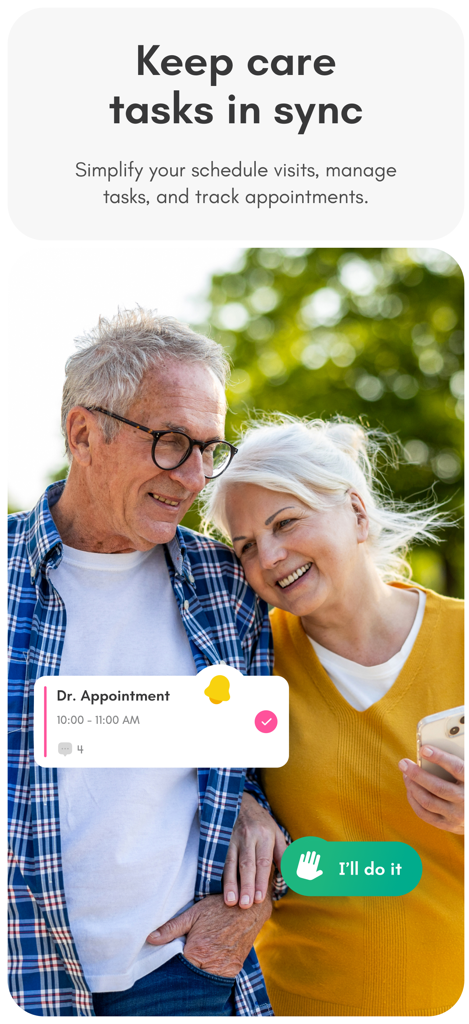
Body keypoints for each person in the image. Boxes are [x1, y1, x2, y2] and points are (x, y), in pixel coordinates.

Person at [7, 309, 287, 1018]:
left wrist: (261, 831)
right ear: (83, 434)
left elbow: (284, 760)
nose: (194, 477)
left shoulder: (232, 586)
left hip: (183, 975)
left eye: (207, 448)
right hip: (23, 979)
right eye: (169, 443)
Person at [206, 415, 464, 1017]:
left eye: (285, 522)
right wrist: (236, 798)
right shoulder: (248, 663)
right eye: (245, 545)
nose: (268, 556)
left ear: (355, 510)